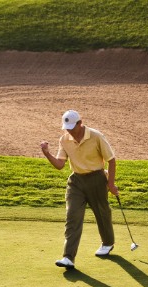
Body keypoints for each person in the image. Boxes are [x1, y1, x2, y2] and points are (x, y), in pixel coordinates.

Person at [40, 110, 118, 270]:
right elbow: (60, 165)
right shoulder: (64, 139)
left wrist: (110, 184)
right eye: (66, 128)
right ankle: (68, 257)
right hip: (76, 182)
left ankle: (108, 243)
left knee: (102, 213)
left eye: (71, 127)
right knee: (72, 216)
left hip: (96, 178)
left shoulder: (96, 136)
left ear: (80, 123)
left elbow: (111, 160)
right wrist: (47, 154)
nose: (69, 131)